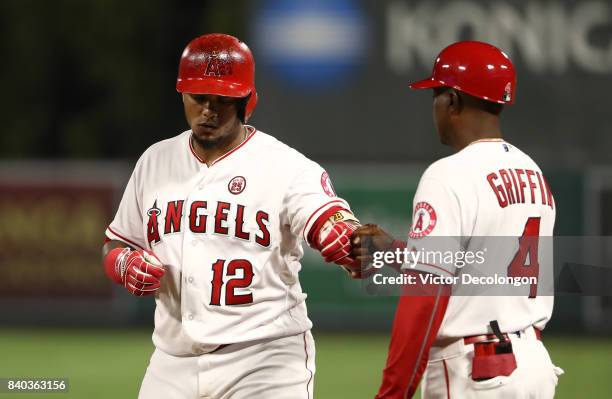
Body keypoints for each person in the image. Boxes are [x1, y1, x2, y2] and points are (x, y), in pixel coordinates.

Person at [101, 33, 360, 399]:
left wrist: (340, 232)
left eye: (222, 98)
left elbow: (324, 215)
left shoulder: (285, 165)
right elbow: (117, 242)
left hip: (265, 360)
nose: (208, 109)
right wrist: (121, 262)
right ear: (182, 95)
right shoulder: (155, 161)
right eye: (198, 97)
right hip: (172, 361)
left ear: (247, 101)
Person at [352, 41, 562, 398]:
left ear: (452, 100)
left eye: (435, 94)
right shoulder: (532, 173)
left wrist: (393, 393)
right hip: (534, 366)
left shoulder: (448, 175)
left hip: (476, 373)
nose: (433, 106)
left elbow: (425, 299)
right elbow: (481, 268)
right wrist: (394, 253)